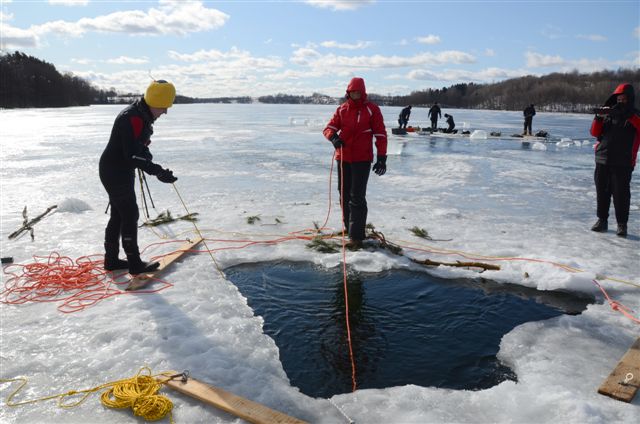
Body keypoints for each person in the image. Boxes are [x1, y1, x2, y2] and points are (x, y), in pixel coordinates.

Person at [99, 79, 178, 274]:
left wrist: (153, 165)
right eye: (164, 107)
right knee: (129, 214)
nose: (165, 112)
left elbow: (139, 148)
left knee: (119, 215)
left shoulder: (141, 115)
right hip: (115, 171)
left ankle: (111, 261)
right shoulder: (132, 118)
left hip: (120, 169)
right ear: (154, 102)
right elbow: (132, 155)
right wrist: (157, 170)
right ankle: (134, 264)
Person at [323, 77, 388, 248]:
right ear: (348, 93)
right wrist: (334, 138)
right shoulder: (342, 110)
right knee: (343, 193)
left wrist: (382, 157)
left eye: (358, 92)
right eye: (352, 92)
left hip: (362, 159)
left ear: (363, 92)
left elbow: (380, 134)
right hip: (343, 157)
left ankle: (356, 236)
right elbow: (329, 128)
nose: (355, 94)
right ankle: (349, 228)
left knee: (357, 196)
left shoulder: (372, 110)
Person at [589, 83, 640, 237]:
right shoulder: (609, 113)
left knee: (621, 194)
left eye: (624, 99)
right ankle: (602, 220)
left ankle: (622, 224)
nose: (621, 101)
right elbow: (594, 132)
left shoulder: (636, 115)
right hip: (602, 158)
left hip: (623, 161)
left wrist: (629, 116)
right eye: (619, 98)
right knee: (602, 192)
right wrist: (599, 117)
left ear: (630, 99)